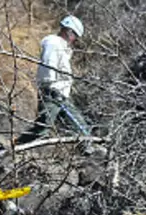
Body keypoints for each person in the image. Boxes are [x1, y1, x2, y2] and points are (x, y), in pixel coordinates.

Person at [20, 15, 92, 143]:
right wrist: (51, 88)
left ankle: (90, 152)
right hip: (52, 95)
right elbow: (48, 65)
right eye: (75, 36)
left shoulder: (62, 47)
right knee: (42, 131)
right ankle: (9, 147)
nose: (75, 40)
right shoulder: (53, 43)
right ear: (69, 31)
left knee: (81, 128)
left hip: (60, 96)